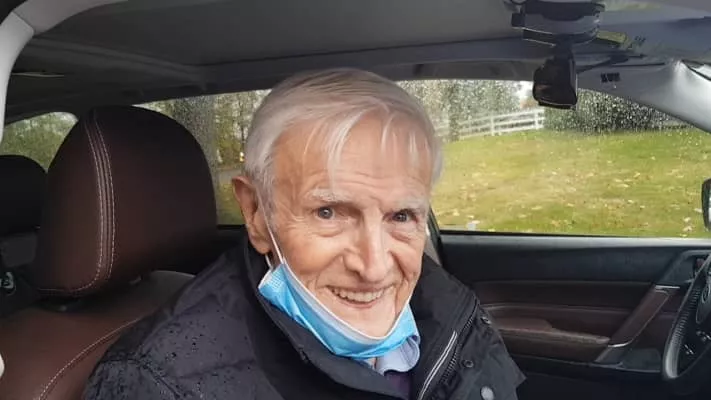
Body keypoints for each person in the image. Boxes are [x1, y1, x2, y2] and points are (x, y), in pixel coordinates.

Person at [84, 68, 525, 400]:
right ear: (256, 213)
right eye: (328, 212)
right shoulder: (161, 385)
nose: (374, 267)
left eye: (402, 216)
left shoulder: (443, 305)